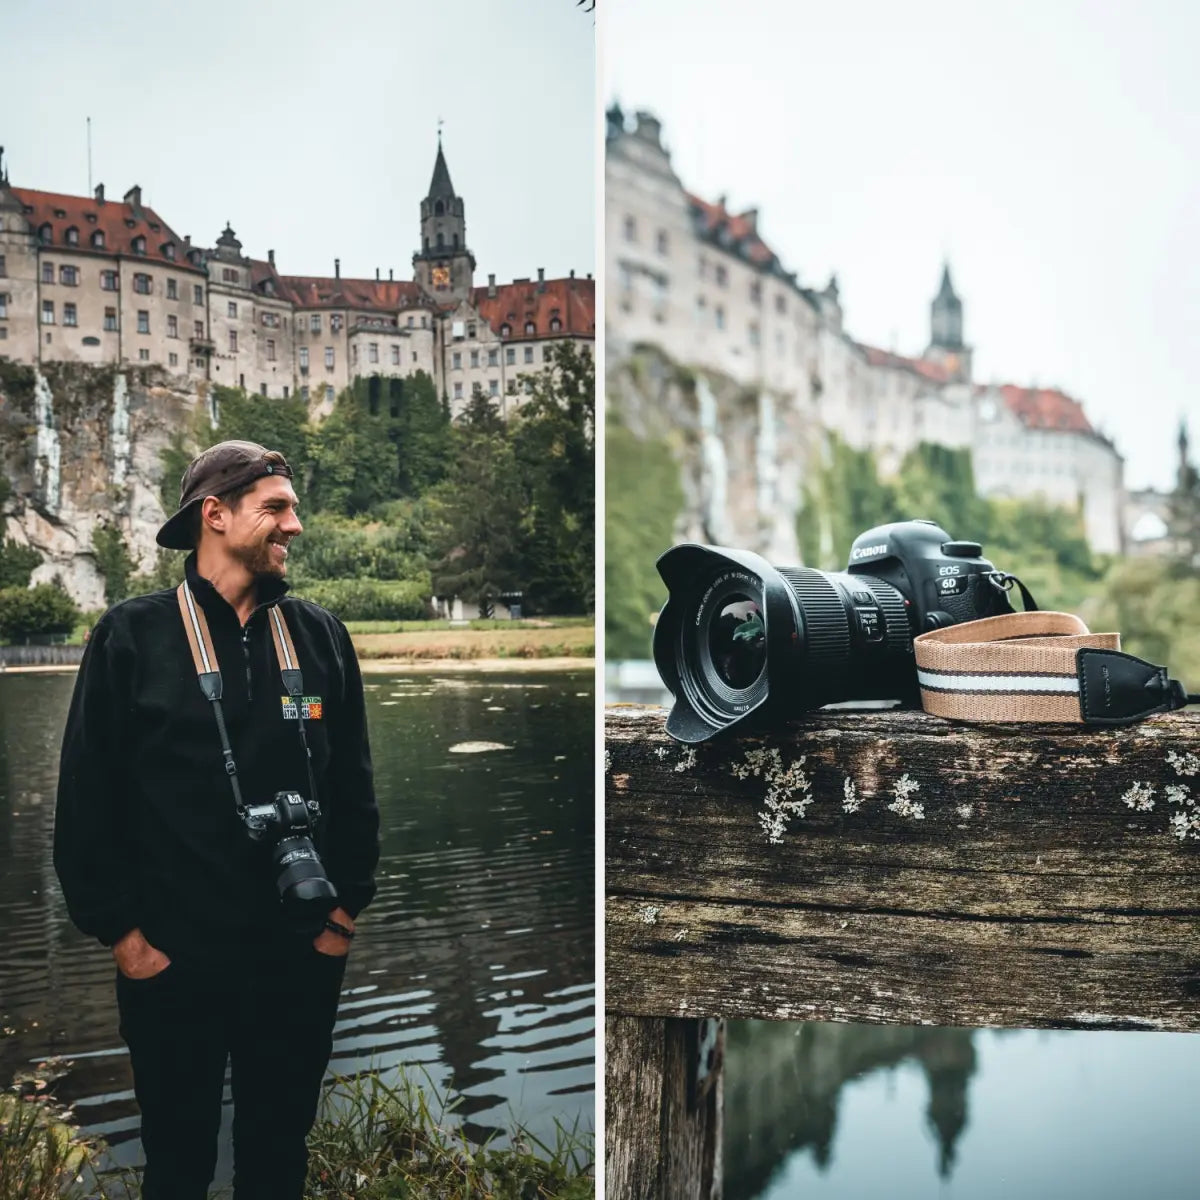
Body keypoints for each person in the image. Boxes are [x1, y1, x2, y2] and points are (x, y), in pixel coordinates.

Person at [54, 440, 380, 1199]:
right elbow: (86, 807)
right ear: (216, 515)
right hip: (172, 965)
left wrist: (340, 917)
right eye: (276, 508)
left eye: (292, 509)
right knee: (177, 1163)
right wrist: (126, 939)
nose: (294, 526)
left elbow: (355, 789)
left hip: (297, 958)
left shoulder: (319, 636)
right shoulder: (132, 638)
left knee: (276, 1159)